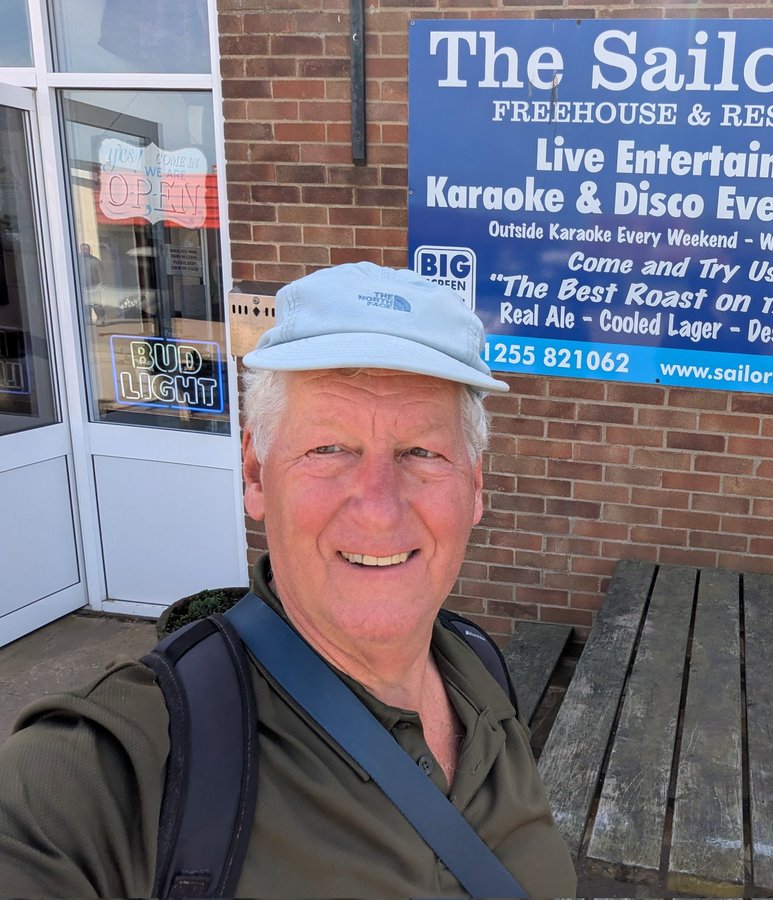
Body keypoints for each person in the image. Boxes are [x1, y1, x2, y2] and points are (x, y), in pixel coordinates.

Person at [0, 262, 577, 896]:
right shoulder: (122, 764)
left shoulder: (481, 673)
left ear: (475, 487)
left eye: (423, 452)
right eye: (329, 449)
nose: (380, 507)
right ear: (255, 474)